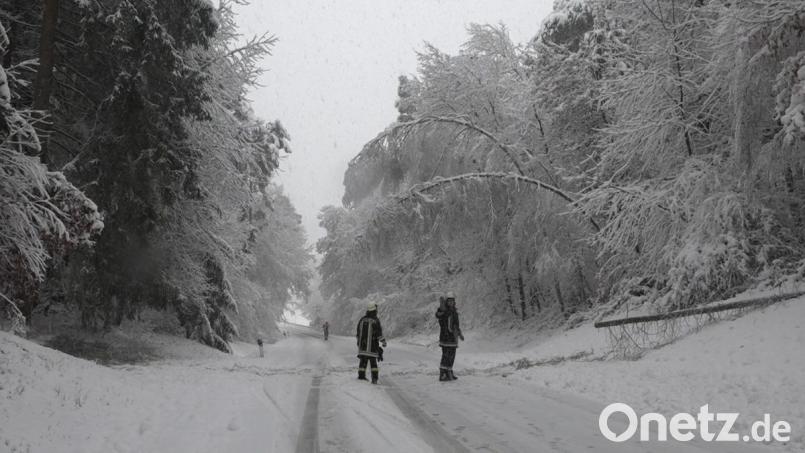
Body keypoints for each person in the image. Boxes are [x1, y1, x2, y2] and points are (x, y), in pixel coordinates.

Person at [356, 302, 386, 384]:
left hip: (362, 347)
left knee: (363, 363)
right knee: (373, 364)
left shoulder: (362, 320)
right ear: (374, 310)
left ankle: (361, 377)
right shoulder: (375, 321)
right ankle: (374, 379)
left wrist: (359, 343)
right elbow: (378, 334)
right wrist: (383, 341)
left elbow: (358, 332)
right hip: (372, 348)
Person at [436, 292, 464, 381]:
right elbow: (438, 314)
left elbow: (456, 325)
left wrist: (459, 333)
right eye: (449, 301)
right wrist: (441, 306)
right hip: (445, 337)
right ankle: (443, 374)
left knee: (452, 356)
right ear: (446, 302)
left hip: (453, 337)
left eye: (452, 301)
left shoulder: (454, 311)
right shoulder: (444, 310)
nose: (451, 303)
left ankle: (449, 372)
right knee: (446, 355)